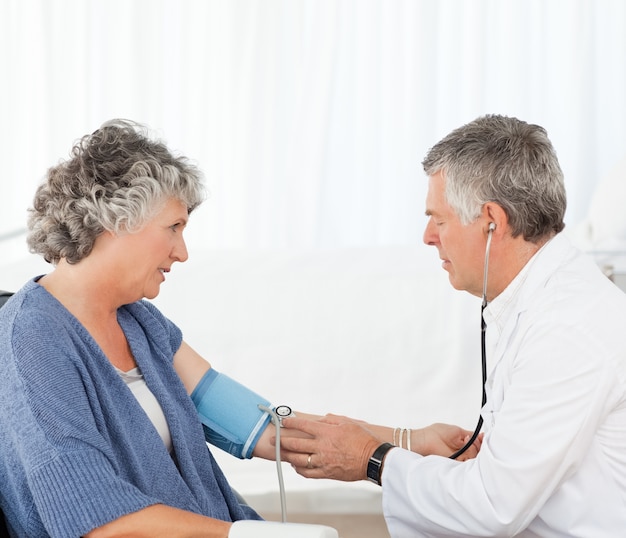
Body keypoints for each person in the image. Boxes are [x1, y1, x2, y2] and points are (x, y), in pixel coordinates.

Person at [0, 119, 479, 538]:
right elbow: (96, 523)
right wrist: (246, 536)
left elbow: (263, 427)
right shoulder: (32, 340)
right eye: (174, 227)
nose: (181, 252)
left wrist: (409, 441)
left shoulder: (141, 325)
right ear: (118, 220)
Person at [279, 115, 626, 537]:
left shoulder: (567, 327)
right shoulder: (542, 303)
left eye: (438, 219)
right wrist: (404, 443)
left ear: (492, 221)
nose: (428, 236)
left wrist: (373, 458)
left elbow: (493, 506)